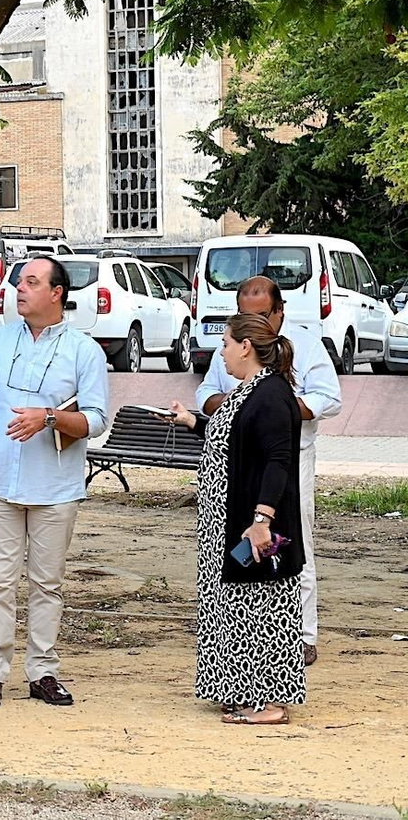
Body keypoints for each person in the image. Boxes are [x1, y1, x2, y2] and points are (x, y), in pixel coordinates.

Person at [0, 256, 109, 710]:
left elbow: (97, 420)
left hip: (56, 485)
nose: (18, 289)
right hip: (0, 481)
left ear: (56, 292)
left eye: (30, 282)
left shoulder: (84, 350)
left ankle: (43, 671)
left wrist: (49, 418)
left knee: (47, 584)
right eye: (18, 282)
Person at [163, 312, 305, 724]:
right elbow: (232, 437)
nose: (221, 353)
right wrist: (192, 421)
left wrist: (263, 519)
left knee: (263, 613)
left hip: (253, 523)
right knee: (237, 609)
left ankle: (269, 703)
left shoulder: (272, 394)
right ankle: (241, 690)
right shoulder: (249, 390)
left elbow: (278, 460)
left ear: (245, 346)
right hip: (227, 520)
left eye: (225, 344)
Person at [195, 275, 339, 666]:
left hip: (289, 459)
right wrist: (233, 403)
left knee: (289, 544)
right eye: (244, 315)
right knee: (243, 557)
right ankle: (239, 648)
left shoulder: (302, 348)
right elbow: (206, 394)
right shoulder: (233, 351)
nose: (252, 322)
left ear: (279, 312)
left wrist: (272, 411)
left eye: (260, 315)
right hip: (238, 465)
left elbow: (328, 398)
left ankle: (301, 636)